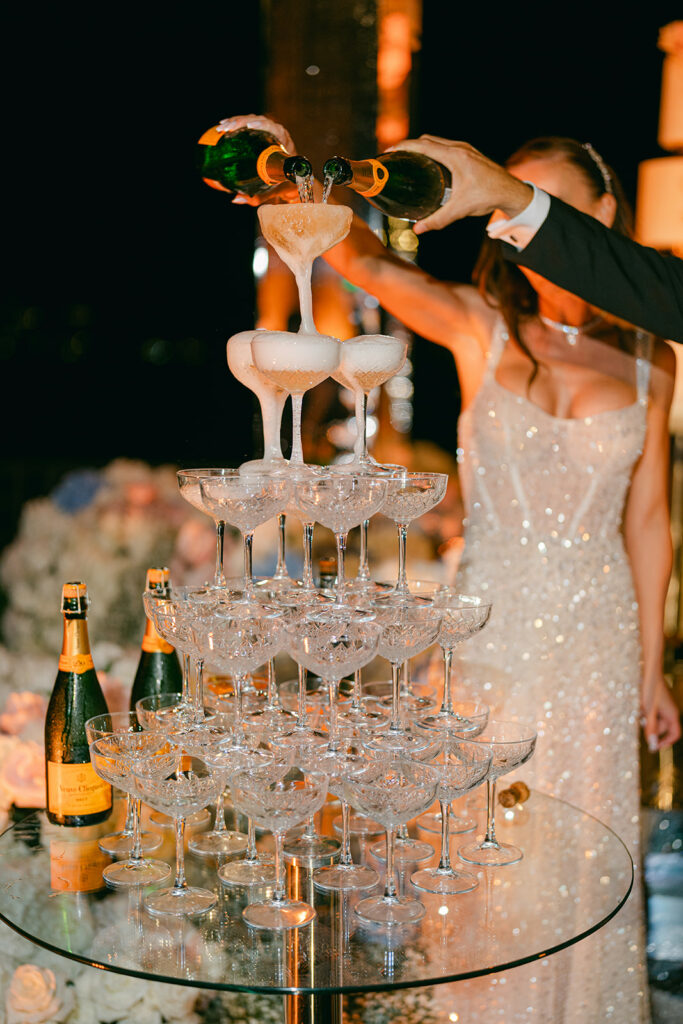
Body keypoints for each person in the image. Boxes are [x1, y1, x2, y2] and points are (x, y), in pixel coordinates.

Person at [225, 116, 680, 1022]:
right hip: (489, 627)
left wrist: (650, 668)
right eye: (501, 213)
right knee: (478, 842)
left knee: (584, 846)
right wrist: (293, 185)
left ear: (599, 214)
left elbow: (647, 518)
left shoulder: (650, 356)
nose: (514, 232)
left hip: (596, 635)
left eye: (540, 205)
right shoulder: (481, 327)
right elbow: (371, 267)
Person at [395, 134, 683, 343]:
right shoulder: (481, 324)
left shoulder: (651, 355)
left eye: (556, 207)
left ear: (604, 210)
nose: (521, 238)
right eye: (508, 217)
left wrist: (514, 196)